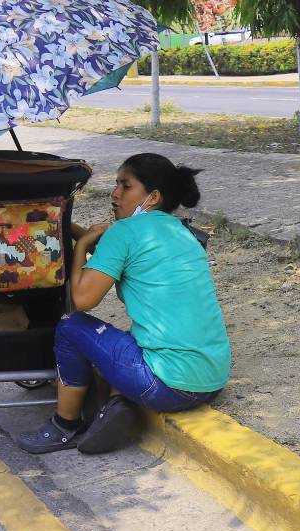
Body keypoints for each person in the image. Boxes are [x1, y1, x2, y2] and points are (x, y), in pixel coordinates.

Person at [18, 153, 232, 454]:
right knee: (133, 336)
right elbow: (119, 252)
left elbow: (82, 301)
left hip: (168, 386)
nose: (114, 194)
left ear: (152, 196)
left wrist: (79, 246)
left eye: (125, 186)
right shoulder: (184, 232)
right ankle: (118, 400)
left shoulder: (124, 232)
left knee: (70, 327)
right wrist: (80, 232)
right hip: (212, 379)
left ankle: (64, 425)